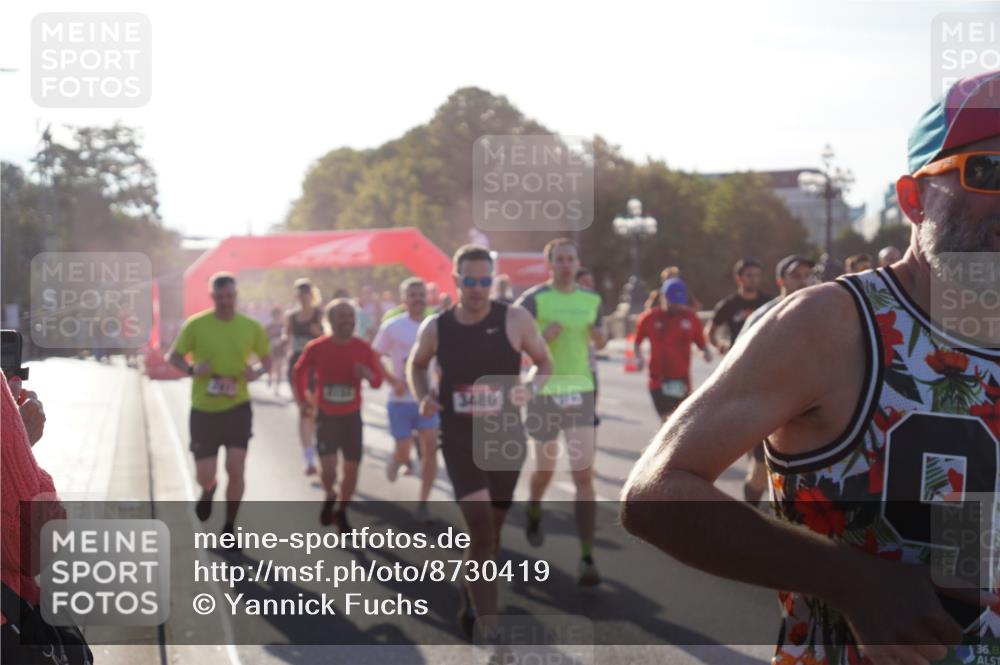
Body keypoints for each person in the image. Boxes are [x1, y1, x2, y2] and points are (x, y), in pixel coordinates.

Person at [620, 70, 1000, 665]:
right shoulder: (830, 324)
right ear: (913, 198)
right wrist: (852, 581)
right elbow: (655, 491)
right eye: (990, 172)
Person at [408, 244, 551, 640]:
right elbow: (417, 365)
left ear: (492, 280)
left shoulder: (516, 319)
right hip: (459, 438)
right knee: (482, 529)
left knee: (492, 532)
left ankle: (471, 590)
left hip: (505, 438)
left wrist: (530, 388)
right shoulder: (437, 327)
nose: (477, 288)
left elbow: (544, 362)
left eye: (484, 281)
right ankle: (490, 629)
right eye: (469, 281)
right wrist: (423, 393)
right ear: (456, 281)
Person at [515, 238, 607, 586]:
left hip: (580, 390)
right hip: (545, 392)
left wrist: (599, 337)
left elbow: (599, 342)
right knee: (545, 470)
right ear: (549, 264)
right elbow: (515, 339)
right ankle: (534, 507)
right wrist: (540, 334)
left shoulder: (592, 300)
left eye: (571, 259)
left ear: (577, 262)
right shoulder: (534, 300)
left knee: (584, 475)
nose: (567, 265)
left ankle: (587, 557)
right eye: (560, 259)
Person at [167, 272, 271, 541]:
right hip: (204, 410)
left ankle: (230, 527)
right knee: (205, 474)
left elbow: (267, 360)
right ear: (212, 297)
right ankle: (207, 490)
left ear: (236, 296)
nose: (225, 301)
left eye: (230, 296)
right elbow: (173, 356)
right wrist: (191, 368)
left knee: (236, 468)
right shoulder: (196, 325)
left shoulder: (250, 327)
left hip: (237, 407)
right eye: (220, 297)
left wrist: (256, 373)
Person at [293, 299, 383, 530]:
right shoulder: (317, 347)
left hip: (351, 417)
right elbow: (298, 371)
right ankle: (330, 494)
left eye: (350, 316)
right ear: (330, 320)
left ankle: (342, 510)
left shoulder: (363, 348)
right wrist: (303, 400)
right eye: (341, 316)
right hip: (327, 415)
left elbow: (377, 380)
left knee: (352, 469)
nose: (347, 321)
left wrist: (366, 374)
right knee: (330, 468)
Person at [736, 254, 817, 505]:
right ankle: (750, 517)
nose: (803, 281)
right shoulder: (763, 317)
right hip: (769, 409)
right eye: (796, 276)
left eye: (807, 275)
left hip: (810, 406)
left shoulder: (823, 313)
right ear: (781, 280)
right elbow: (739, 363)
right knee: (760, 475)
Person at [372, 278, 439, 523]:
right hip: (400, 400)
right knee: (404, 449)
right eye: (412, 295)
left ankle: (423, 503)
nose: (418, 298)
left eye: (421, 294)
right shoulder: (392, 326)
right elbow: (375, 356)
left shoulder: (436, 325)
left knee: (430, 447)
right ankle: (397, 459)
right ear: (404, 299)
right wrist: (393, 381)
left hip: (428, 400)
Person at [634, 278, 711, 423]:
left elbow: (701, 344)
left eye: (679, 301)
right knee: (668, 421)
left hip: (682, 382)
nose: (676, 305)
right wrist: (638, 357)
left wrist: (705, 352)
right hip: (658, 380)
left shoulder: (690, 318)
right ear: (663, 297)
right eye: (672, 300)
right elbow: (637, 342)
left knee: (679, 424)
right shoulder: (649, 318)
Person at [285, 279, 324, 475]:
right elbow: (288, 339)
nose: (303, 297)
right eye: (299, 293)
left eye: (306, 293)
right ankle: (308, 458)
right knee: (304, 411)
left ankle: (321, 447)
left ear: (312, 294)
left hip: (317, 368)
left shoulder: (319, 314)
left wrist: (320, 333)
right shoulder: (291, 317)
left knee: (317, 412)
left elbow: (330, 337)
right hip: (297, 367)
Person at [705, 257, 771, 354]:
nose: (754, 279)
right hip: (737, 358)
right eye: (749, 275)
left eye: (757, 275)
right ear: (738, 278)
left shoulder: (769, 303)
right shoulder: (728, 305)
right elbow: (709, 332)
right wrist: (719, 344)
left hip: (764, 356)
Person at [265, 306, 287, 395]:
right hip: (270, 350)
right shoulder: (268, 326)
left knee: (279, 369)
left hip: (280, 350)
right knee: (271, 366)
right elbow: (264, 338)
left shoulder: (283, 326)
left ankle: (277, 388)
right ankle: (269, 377)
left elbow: (286, 338)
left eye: (278, 315)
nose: (277, 316)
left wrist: (281, 341)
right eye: (275, 315)